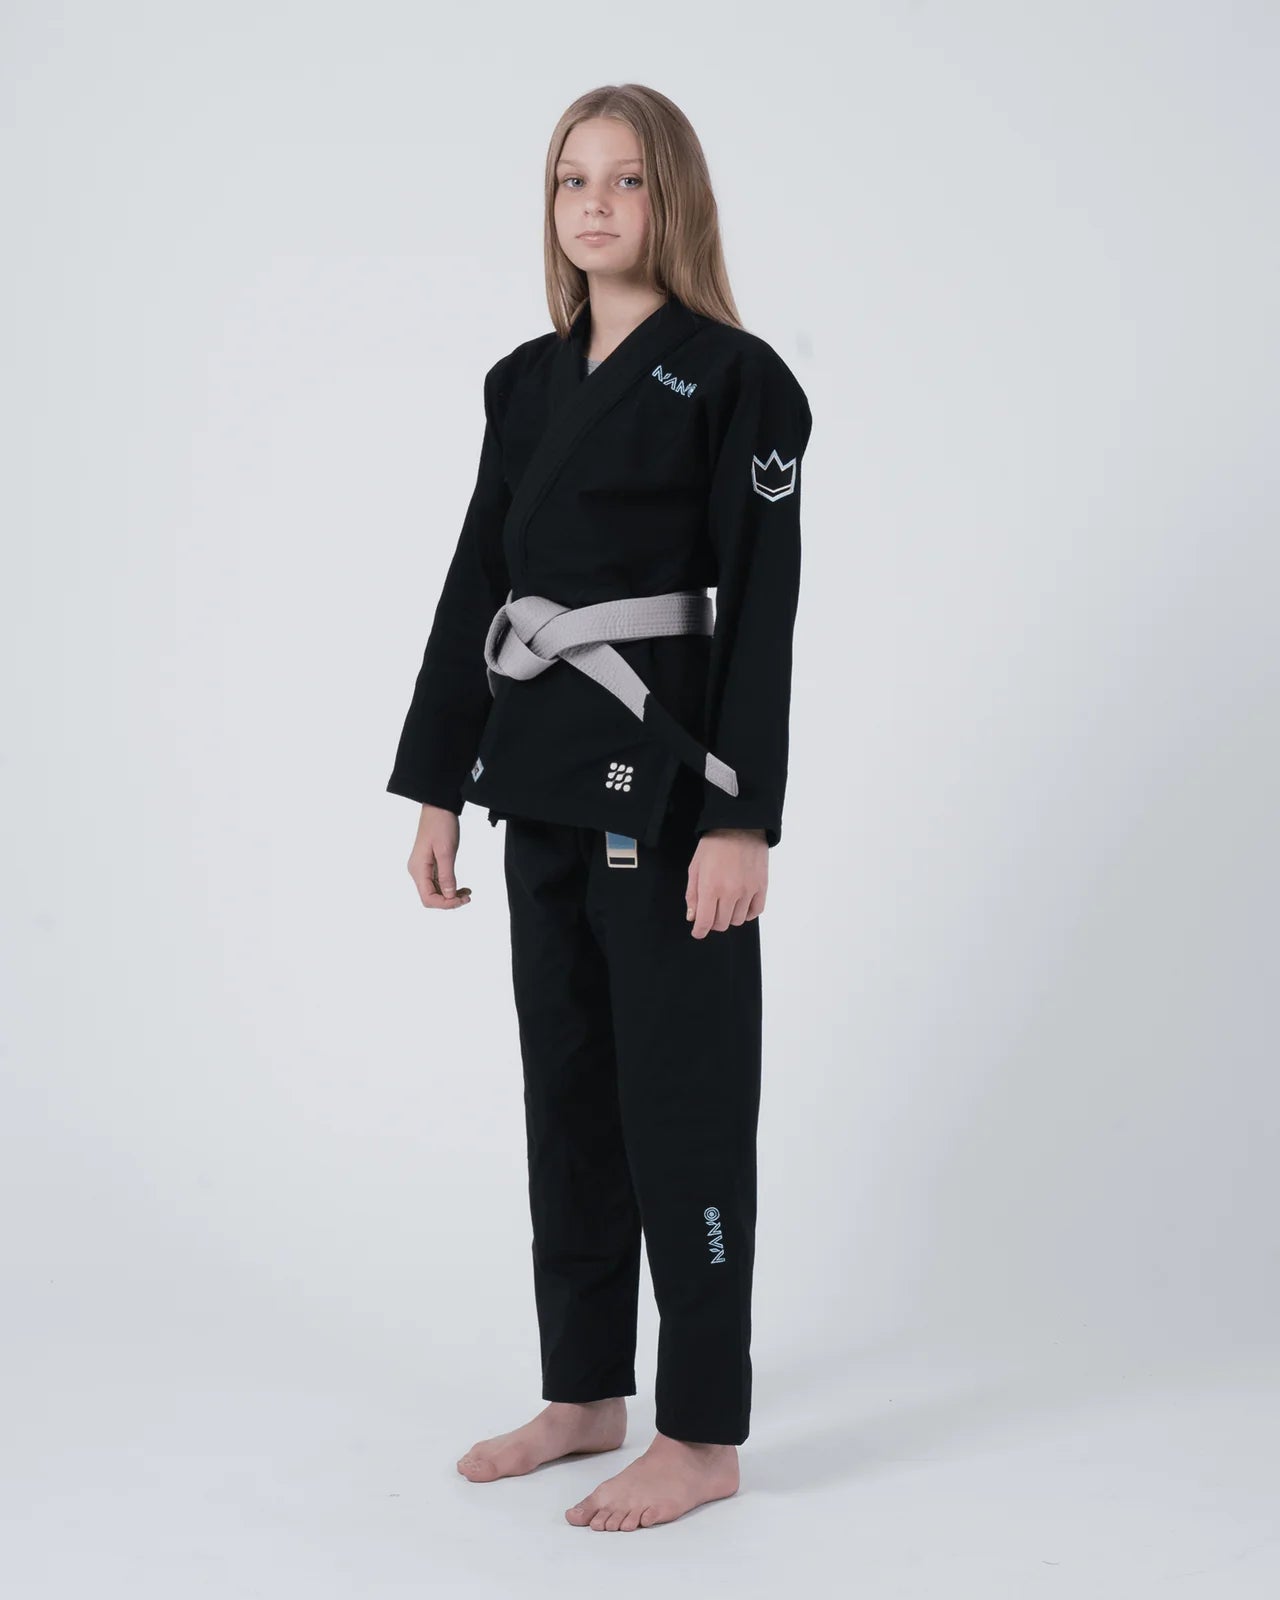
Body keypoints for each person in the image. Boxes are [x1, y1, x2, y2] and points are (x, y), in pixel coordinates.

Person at [386, 83, 813, 1532]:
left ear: (670, 199)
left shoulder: (740, 380)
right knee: (566, 1088)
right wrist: (438, 784)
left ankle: (701, 1430)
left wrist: (742, 819)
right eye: (573, 178)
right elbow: (476, 583)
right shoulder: (522, 382)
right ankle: (583, 1390)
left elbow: (762, 613)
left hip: (673, 785)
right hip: (539, 779)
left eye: (626, 179)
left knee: (681, 1100)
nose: (594, 203)